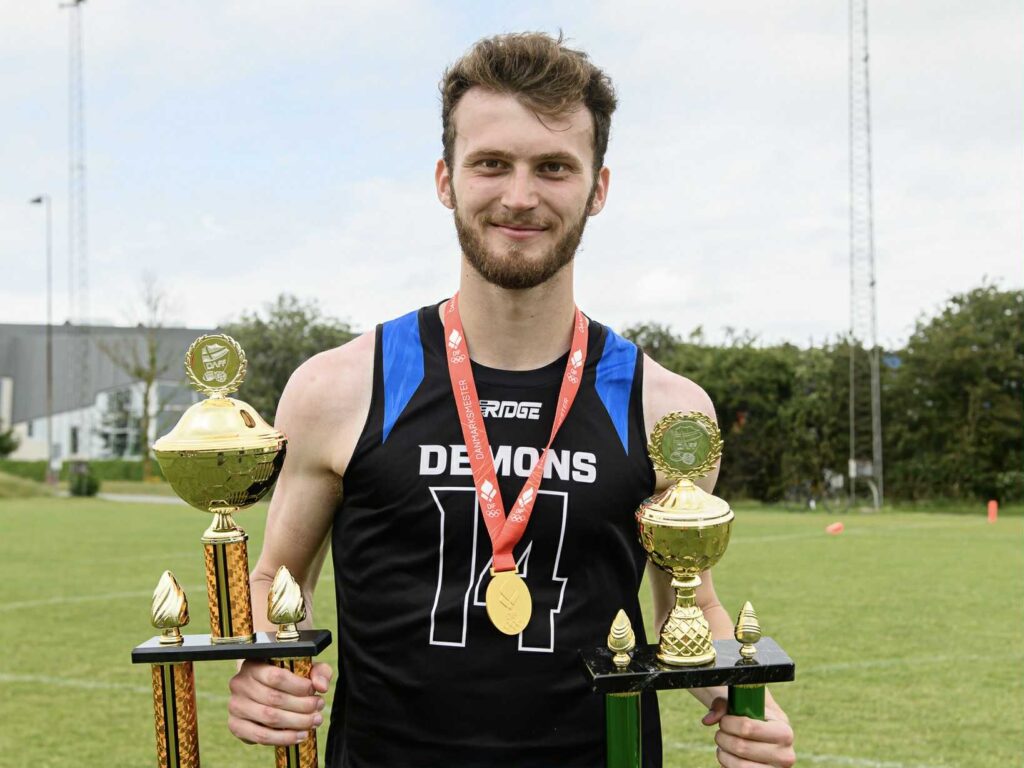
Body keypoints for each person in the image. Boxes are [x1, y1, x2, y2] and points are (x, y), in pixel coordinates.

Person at [227, 32, 796, 768]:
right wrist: (263, 665)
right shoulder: (340, 387)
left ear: (598, 188)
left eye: (553, 167)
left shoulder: (665, 409)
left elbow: (690, 607)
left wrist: (744, 701)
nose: (520, 196)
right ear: (446, 180)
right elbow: (277, 578)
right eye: (491, 163)